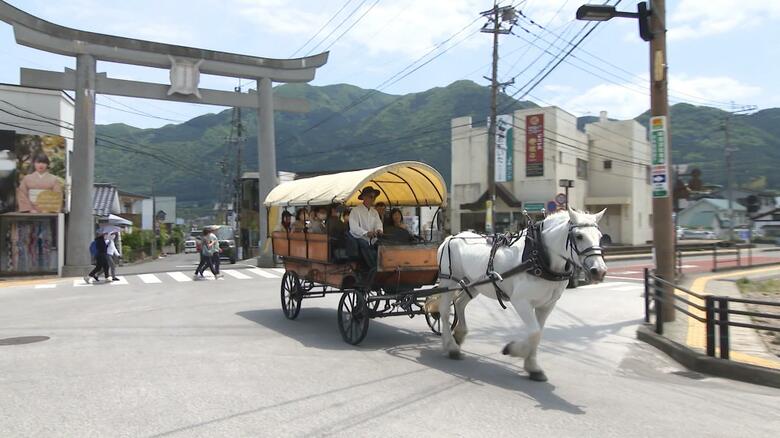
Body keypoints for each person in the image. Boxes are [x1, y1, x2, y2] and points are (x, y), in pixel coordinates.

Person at [349, 186, 383, 270]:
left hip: (372, 238)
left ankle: (384, 265)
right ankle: (374, 268)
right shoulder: (355, 211)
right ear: (364, 197)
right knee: (364, 244)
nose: (373, 199)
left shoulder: (374, 212)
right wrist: (366, 233)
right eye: (371, 197)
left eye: (374, 197)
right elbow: (354, 228)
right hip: (358, 238)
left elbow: (378, 223)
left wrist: (379, 230)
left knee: (383, 245)